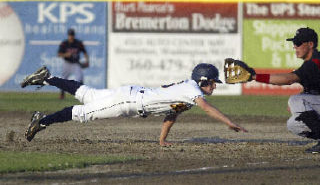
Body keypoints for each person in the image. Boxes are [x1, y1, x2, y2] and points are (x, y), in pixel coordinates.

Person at [21, 63, 247, 146]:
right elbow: (206, 108)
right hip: (129, 102)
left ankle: (47, 77)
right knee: (83, 113)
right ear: (203, 80)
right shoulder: (192, 90)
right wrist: (229, 122)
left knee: (87, 94)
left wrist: (162, 139)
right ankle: (42, 121)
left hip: (131, 95)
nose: (215, 86)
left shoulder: (188, 93)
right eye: (213, 83)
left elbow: (172, 114)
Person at [236, 27, 320, 153]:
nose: (294, 47)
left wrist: (254, 76)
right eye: (294, 44)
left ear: (310, 44)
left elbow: (288, 79)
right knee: (294, 124)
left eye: (298, 43)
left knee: (296, 100)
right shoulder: (312, 62)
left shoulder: (315, 62)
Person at [58, 28, 89, 99]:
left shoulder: (78, 43)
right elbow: (59, 54)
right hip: (67, 63)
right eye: (70, 35)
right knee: (63, 79)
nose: (71, 36)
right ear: (68, 35)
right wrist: (66, 54)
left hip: (75, 64)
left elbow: (85, 52)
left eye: (72, 35)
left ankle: (82, 95)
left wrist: (87, 61)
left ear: (74, 35)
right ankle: (62, 94)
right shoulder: (64, 43)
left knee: (79, 78)